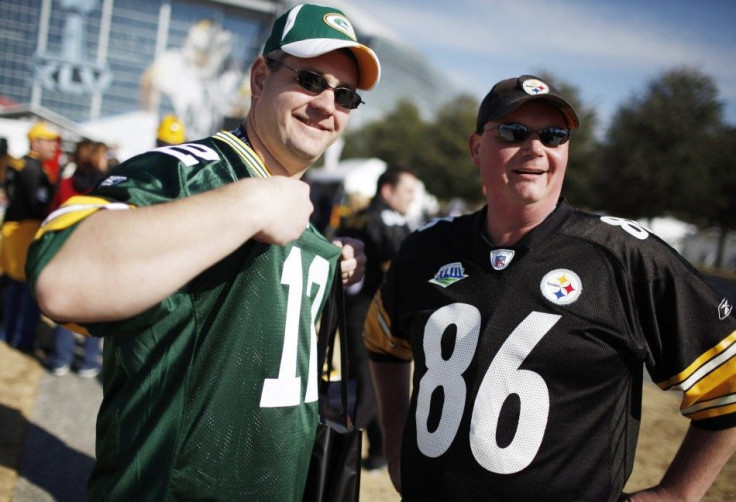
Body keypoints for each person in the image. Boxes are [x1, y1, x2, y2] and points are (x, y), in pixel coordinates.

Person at [25, 3, 380, 500]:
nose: (327, 105)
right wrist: (252, 200)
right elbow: (62, 279)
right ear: (260, 78)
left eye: (345, 95)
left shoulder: (297, 211)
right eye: (309, 80)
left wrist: (326, 256)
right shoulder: (191, 174)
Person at [364, 75, 736, 501]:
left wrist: (678, 492)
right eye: (513, 132)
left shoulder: (625, 257)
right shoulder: (425, 248)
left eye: (554, 135)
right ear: (475, 148)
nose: (535, 148)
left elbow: (728, 383)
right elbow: (383, 342)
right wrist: (395, 444)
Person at [335, 165, 418, 470]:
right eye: (407, 191)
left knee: (367, 377)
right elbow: (402, 252)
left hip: (355, 308)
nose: (411, 199)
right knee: (370, 383)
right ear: (387, 191)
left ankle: (380, 452)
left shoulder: (355, 214)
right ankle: (338, 443)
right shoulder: (383, 218)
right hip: (368, 311)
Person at [45, 139, 110, 378]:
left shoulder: (65, 184)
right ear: (94, 157)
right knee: (95, 310)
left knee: (67, 308)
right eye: (103, 154)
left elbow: (52, 215)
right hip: (97, 254)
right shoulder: (108, 185)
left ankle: (60, 359)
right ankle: (89, 361)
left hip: (67, 252)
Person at [0, 121, 59, 350]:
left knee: (15, 285)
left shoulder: (21, 164)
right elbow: (38, 204)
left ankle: (11, 333)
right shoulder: (33, 168)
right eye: (49, 140)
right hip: (25, 231)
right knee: (27, 288)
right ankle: (22, 339)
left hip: (15, 230)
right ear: (36, 142)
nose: (54, 146)